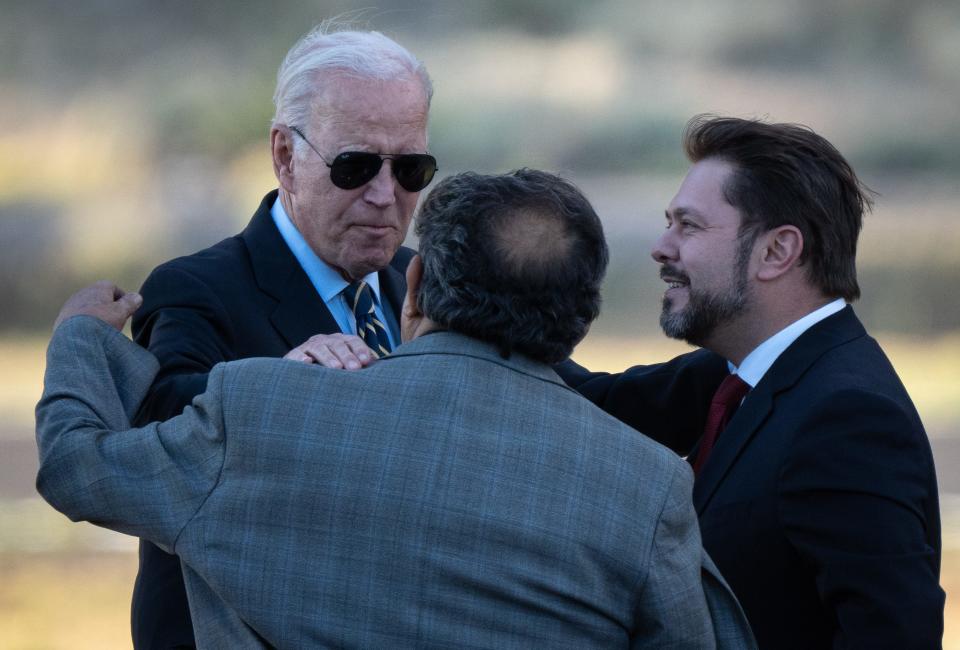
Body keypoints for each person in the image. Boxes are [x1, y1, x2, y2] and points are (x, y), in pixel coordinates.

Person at [37, 169, 755, 649]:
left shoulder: (259, 410)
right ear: (578, 320)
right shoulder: (649, 486)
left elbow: (77, 467)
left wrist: (79, 340)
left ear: (413, 289)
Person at [561, 116, 944, 648]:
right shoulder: (737, 375)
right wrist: (457, 303)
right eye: (668, 222)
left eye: (688, 226)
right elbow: (583, 405)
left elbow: (893, 634)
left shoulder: (847, 417)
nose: (661, 246)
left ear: (776, 252)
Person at [128, 24, 437, 647]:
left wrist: (697, 369)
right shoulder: (196, 287)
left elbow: (564, 392)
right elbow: (156, 424)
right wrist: (276, 387)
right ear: (285, 156)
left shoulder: (425, 283)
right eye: (354, 166)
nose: (386, 196)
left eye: (410, 169)